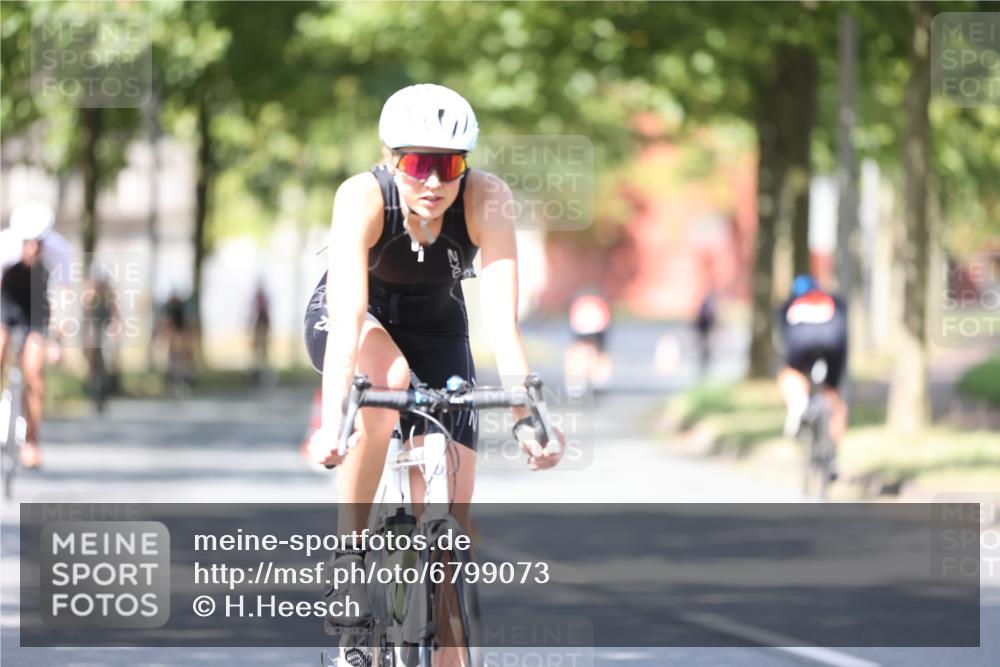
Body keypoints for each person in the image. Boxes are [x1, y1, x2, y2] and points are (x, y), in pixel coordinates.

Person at [303, 84, 565, 666]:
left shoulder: (488, 200)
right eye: (418, 163)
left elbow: (502, 324)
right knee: (386, 379)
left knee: (447, 527)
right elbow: (346, 321)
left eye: (449, 165)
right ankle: (349, 558)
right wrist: (333, 424)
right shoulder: (361, 198)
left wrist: (527, 420)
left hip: (438, 328)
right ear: (391, 158)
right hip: (358, 315)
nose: (433, 182)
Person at [0, 202, 72, 468]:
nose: (33, 248)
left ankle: (31, 440)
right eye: (28, 242)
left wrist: (57, 341)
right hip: (6, 300)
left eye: (38, 242)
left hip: (37, 306)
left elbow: (64, 299)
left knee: (34, 370)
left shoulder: (59, 250)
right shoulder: (4, 246)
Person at [776, 274, 848, 479]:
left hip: (800, 341)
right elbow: (844, 336)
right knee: (834, 400)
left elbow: (783, 339)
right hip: (834, 342)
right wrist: (836, 376)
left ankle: (798, 403)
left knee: (790, 374)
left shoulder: (789, 305)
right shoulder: (834, 302)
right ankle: (833, 457)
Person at [564, 288, 613, 396]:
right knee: (596, 349)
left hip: (590, 317)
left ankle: (591, 378)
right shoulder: (591, 306)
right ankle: (595, 378)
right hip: (590, 317)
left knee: (585, 349)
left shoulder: (589, 306)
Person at [249, 282, 271, 383]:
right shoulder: (259, 302)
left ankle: (262, 375)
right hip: (260, 323)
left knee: (262, 353)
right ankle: (257, 374)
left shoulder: (263, 313)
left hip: (262, 323)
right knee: (258, 352)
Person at [694, 290, 716, 377]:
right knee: (705, 342)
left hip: (704, 328)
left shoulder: (705, 306)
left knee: (704, 342)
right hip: (705, 328)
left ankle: (705, 355)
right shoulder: (708, 306)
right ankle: (705, 355)